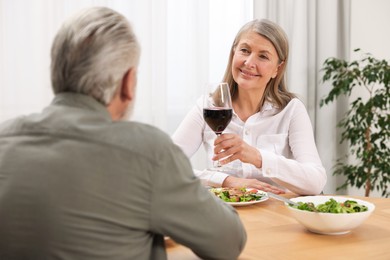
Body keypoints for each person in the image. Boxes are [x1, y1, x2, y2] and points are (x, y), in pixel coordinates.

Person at [0, 7, 246, 260]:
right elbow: (228, 242)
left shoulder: (4, 139)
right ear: (128, 82)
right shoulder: (148, 152)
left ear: (56, 74)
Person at [172, 19, 327, 195]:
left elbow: (316, 182)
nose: (249, 63)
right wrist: (225, 181)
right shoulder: (207, 107)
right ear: (233, 53)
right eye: (245, 50)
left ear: (278, 68)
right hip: (224, 214)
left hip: (277, 214)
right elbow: (165, 165)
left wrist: (257, 157)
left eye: (263, 56)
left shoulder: (291, 110)